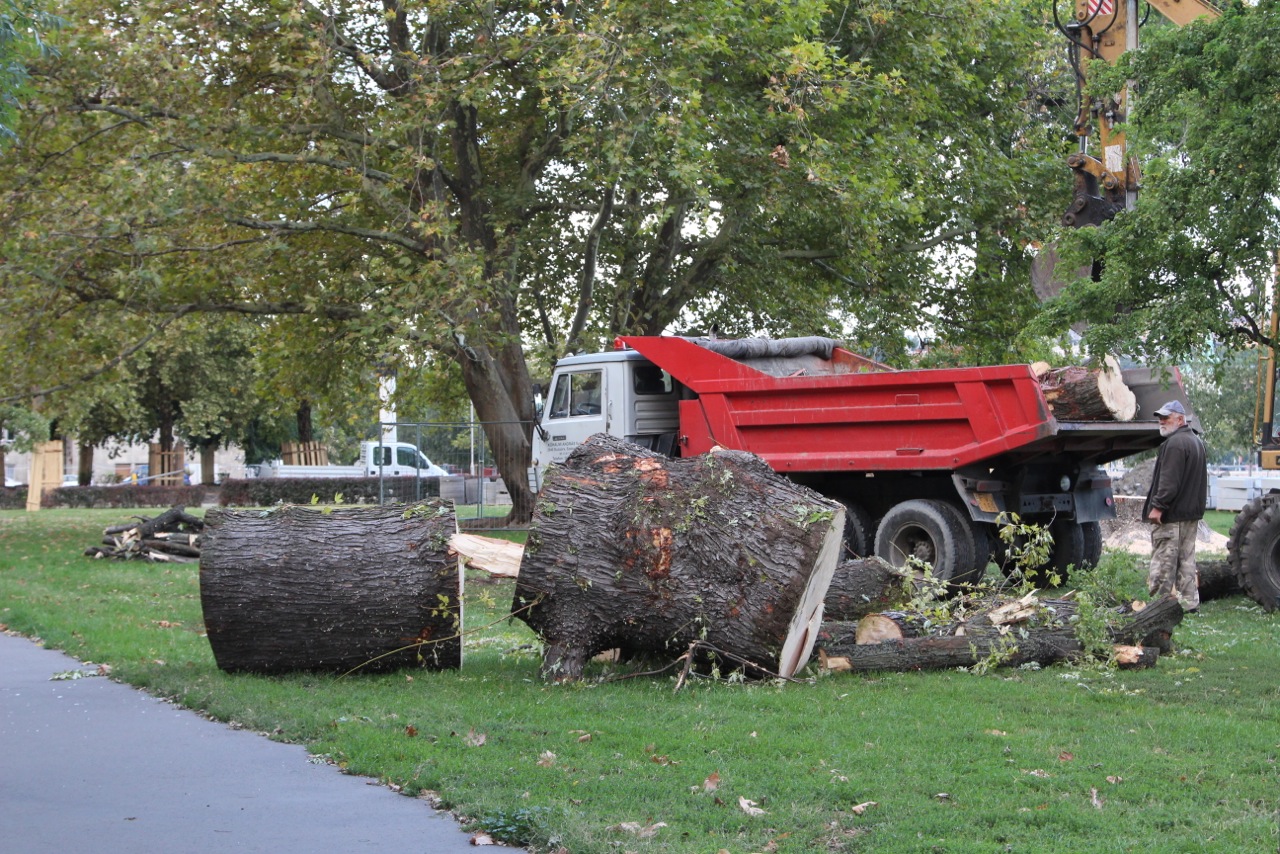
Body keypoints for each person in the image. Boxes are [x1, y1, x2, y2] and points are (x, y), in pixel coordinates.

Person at [1142, 400, 1208, 611]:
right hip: (1190, 515)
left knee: (1163, 562)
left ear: (1180, 419)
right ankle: (1190, 605)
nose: (1161, 421)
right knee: (1186, 561)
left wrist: (1158, 506)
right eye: (1160, 418)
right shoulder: (1195, 442)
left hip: (1172, 515)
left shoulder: (1175, 444)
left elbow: (1169, 482)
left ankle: (1157, 609)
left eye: (1166, 417)